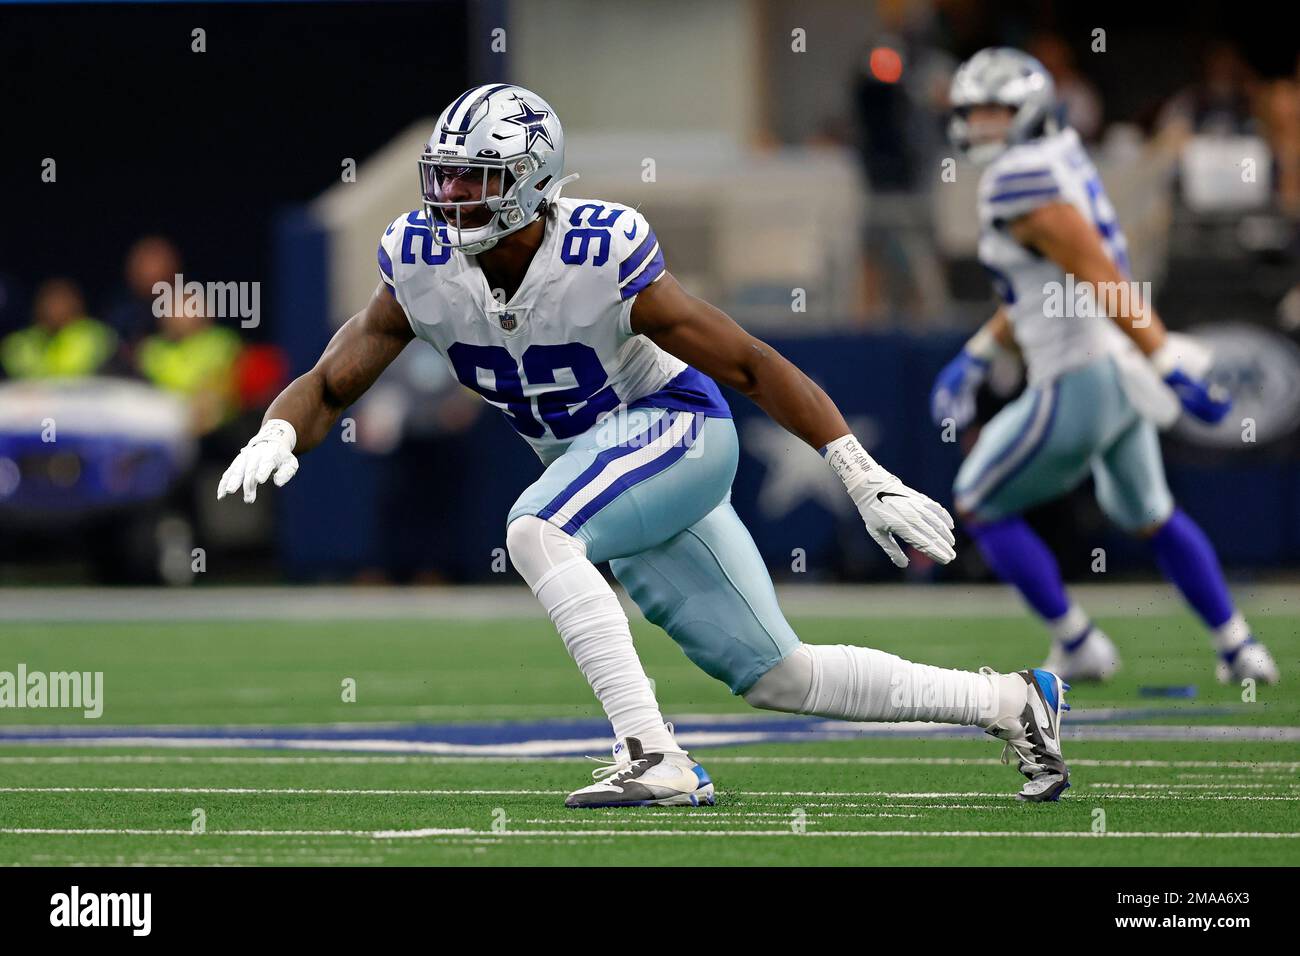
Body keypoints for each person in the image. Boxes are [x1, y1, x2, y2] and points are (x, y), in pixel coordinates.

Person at [218, 84, 1071, 807]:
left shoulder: (597, 252)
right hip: (606, 471)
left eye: (475, 180)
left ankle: (651, 754)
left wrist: (855, 468)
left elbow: (746, 360)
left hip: (676, 427)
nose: (451, 199)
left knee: (536, 531)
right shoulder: (419, 263)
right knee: (780, 675)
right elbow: (333, 380)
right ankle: (1010, 700)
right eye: (443, 178)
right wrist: (279, 428)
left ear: (530, 182)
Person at [932, 49, 1279, 686]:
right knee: (1151, 512)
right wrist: (978, 353)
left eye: (995, 110)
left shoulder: (1019, 176)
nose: (980, 123)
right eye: (974, 110)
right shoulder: (1060, 154)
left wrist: (1165, 354)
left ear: (1028, 109)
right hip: (1117, 373)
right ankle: (1240, 647)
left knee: (977, 501)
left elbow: (1098, 275)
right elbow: (1054, 285)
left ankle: (1079, 642)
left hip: (1078, 375)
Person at [0, 278, 117, 380]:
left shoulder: (98, 337)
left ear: (77, 304)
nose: (55, 307)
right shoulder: (17, 344)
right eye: (49, 300)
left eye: (62, 300)